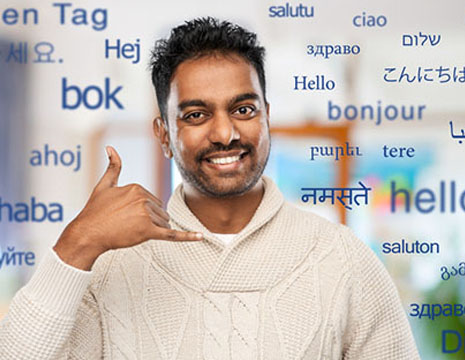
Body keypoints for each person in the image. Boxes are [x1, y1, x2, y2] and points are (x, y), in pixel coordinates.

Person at [0, 17, 420, 359]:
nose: (225, 133)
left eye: (243, 109)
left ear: (267, 117)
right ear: (163, 135)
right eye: (197, 115)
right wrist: (78, 243)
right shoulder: (112, 267)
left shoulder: (342, 259)